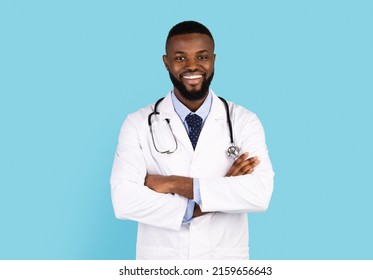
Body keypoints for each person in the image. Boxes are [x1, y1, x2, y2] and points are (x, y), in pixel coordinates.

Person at [110, 20, 274, 260]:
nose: (192, 66)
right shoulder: (137, 123)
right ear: (166, 62)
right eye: (180, 58)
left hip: (224, 263)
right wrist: (221, 190)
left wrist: (173, 183)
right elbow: (124, 200)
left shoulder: (243, 121)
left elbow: (259, 194)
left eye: (202, 56)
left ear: (214, 60)